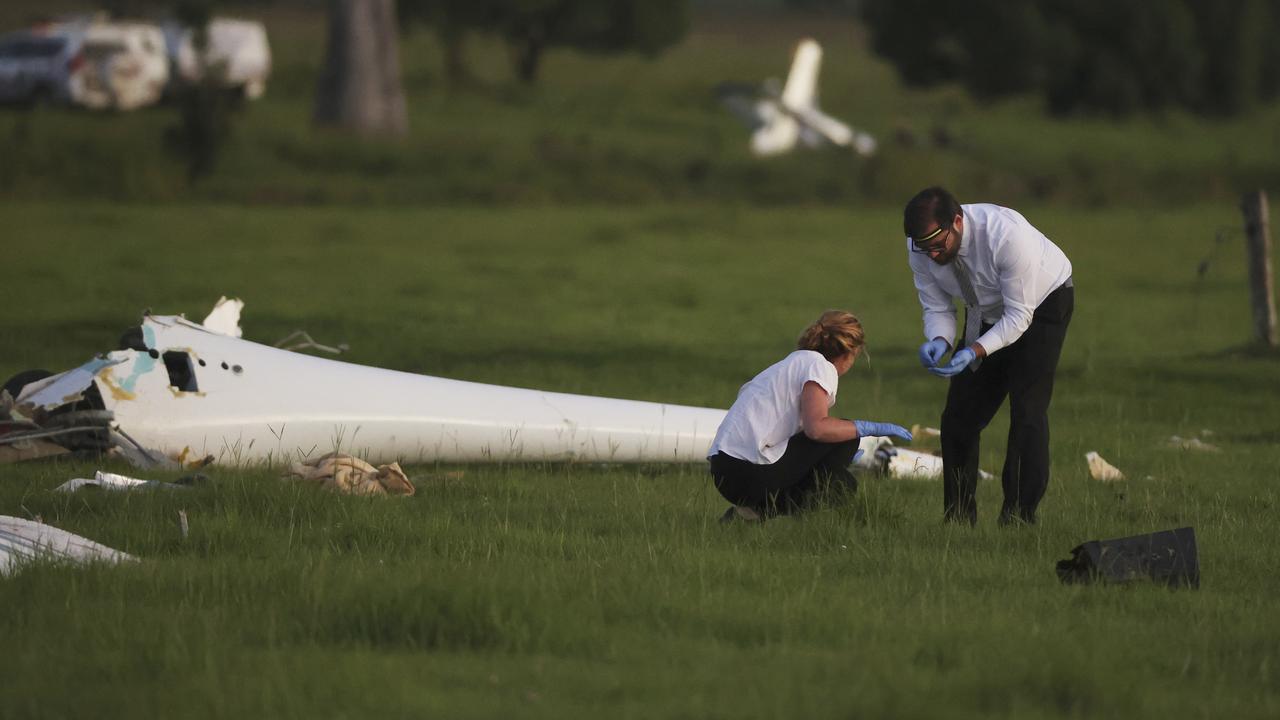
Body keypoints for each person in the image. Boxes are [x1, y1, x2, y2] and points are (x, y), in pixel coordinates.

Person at [903, 187, 1074, 525]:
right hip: (983, 309)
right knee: (958, 418)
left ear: (956, 222)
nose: (933, 257)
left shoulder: (1006, 236)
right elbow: (937, 305)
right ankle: (958, 519)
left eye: (939, 246)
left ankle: (1019, 517)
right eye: (925, 250)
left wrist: (975, 350)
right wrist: (939, 338)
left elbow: (1018, 317)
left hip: (1041, 306)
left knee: (1027, 411)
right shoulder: (920, 248)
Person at [707, 310, 912, 521]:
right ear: (850, 353)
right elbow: (817, 429)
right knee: (843, 472)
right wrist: (865, 428)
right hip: (748, 472)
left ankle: (749, 514)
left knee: (842, 472)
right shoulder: (821, 366)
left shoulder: (788, 364)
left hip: (722, 469)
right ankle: (763, 513)